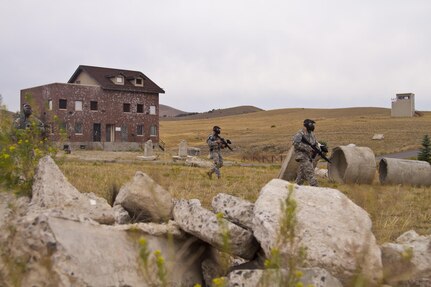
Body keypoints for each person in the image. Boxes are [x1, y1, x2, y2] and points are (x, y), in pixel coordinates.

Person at [292, 119, 321, 186]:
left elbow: (315, 143)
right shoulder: (300, 133)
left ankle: (294, 189)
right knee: (310, 172)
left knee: (301, 177)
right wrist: (308, 148)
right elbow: (295, 144)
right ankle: (316, 189)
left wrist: (318, 149)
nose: (313, 126)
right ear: (307, 125)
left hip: (309, 156)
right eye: (311, 124)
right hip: (302, 156)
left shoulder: (312, 134)